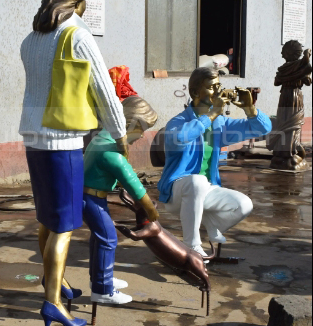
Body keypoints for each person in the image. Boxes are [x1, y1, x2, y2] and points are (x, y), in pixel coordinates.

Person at [19, 0, 128, 326]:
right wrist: (121, 133)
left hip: (33, 138)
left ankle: (57, 282)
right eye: (85, 0)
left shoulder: (31, 40)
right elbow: (104, 91)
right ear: (77, 1)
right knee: (64, 226)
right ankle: (52, 303)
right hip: (62, 140)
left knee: (47, 220)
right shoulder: (77, 36)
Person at [157, 67, 272, 258]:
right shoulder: (178, 122)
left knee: (244, 204)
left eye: (219, 86)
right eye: (212, 87)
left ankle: (212, 225)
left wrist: (249, 109)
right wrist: (211, 114)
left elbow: (262, 129)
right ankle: (191, 245)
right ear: (195, 92)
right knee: (197, 182)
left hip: (204, 188)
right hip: (176, 193)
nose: (218, 92)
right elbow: (179, 139)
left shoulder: (220, 125)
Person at [83, 96, 160, 304]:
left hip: (91, 198)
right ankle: (103, 290)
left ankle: (99, 279)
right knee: (108, 239)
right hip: (92, 199)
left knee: (100, 238)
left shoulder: (103, 139)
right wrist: (149, 209)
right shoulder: (111, 152)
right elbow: (131, 181)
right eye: (141, 129)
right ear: (129, 124)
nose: (142, 136)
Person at [267, 41, 312, 170]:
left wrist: (302, 65)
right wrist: (303, 65)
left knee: (289, 121)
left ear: (290, 53)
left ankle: (287, 150)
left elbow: (278, 81)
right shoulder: (296, 67)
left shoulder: (286, 69)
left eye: (284, 52)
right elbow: (308, 79)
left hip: (288, 95)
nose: (282, 55)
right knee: (288, 122)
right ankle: (287, 150)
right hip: (293, 95)